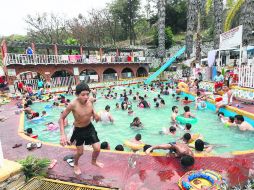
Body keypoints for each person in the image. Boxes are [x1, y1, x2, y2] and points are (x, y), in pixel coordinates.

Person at [59, 82, 103, 175]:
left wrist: (95, 115)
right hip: (78, 130)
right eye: (83, 95)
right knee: (80, 152)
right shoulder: (72, 105)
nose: (86, 97)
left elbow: (91, 109)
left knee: (97, 148)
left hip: (89, 127)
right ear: (77, 95)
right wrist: (63, 134)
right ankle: (76, 164)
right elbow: (61, 118)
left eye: (87, 94)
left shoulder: (90, 100)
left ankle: (93, 161)